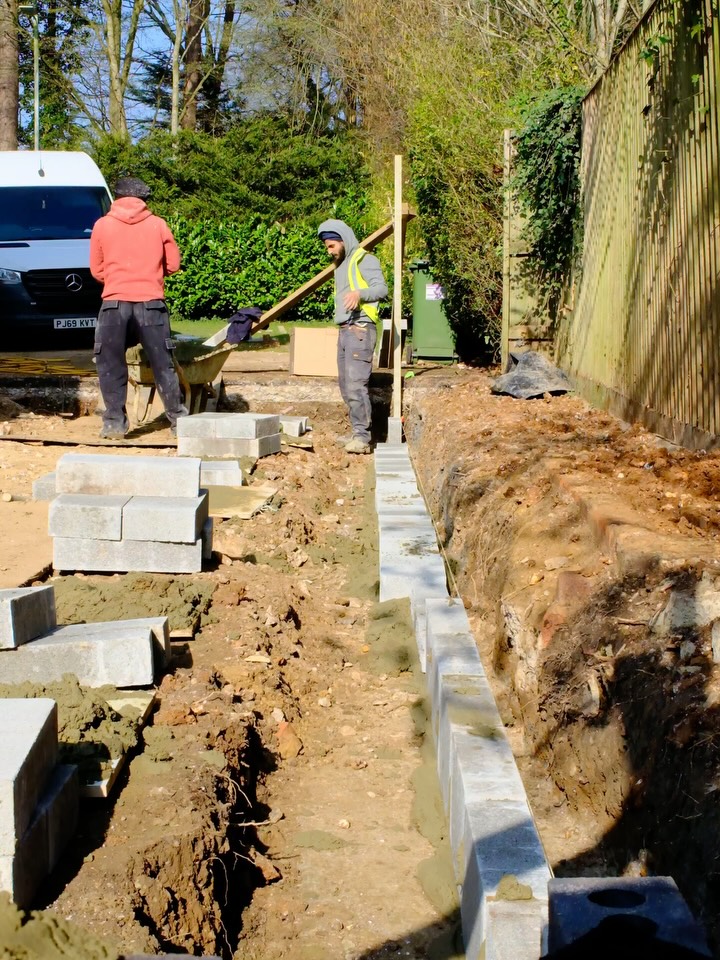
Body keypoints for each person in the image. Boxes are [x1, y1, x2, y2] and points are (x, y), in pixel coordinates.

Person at [89, 176, 187, 439]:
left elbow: (96, 270)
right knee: (163, 364)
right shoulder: (158, 225)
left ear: (118, 198)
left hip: (114, 305)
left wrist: (118, 279)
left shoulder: (102, 225)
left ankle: (114, 424)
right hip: (151, 305)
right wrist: (149, 274)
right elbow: (173, 264)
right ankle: (179, 422)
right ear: (143, 199)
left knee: (110, 364)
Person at [318, 218, 388, 454]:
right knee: (346, 385)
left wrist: (360, 294)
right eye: (327, 247)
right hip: (346, 329)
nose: (329, 251)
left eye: (331, 246)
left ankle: (362, 438)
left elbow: (382, 289)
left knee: (356, 385)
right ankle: (357, 432)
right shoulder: (341, 265)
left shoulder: (364, 260)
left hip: (360, 328)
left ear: (343, 240)